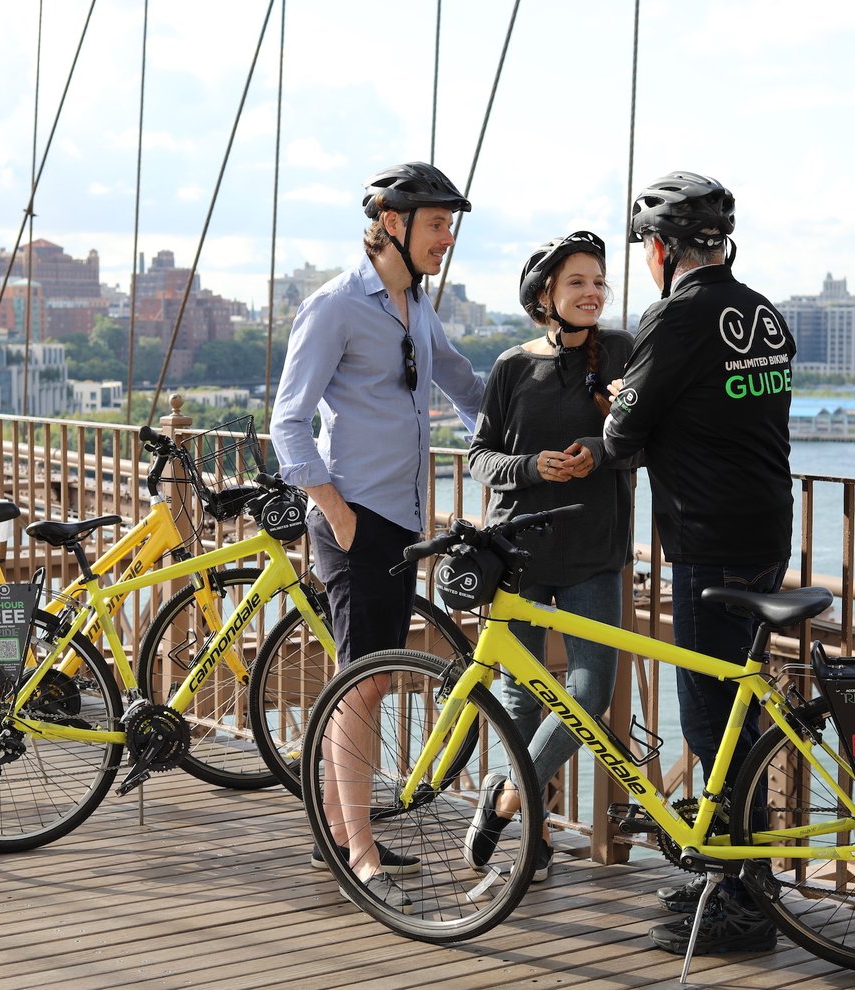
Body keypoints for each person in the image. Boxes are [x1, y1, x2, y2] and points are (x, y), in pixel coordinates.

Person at [269, 161, 484, 913]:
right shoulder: (334, 306)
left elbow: (464, 386)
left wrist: (549, 422)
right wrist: (335, 508)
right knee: (362, 686)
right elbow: (288, 421)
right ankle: (359, 853)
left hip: (399, 520)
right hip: (356, 518)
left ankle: (341, 827)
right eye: (435, 225)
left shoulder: (414, 305)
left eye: (449, 225)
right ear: (392, 223)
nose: (446, 238)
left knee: (371, 679)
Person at [598, 172, 796, 955]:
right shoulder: (764, 314)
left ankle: (747, 905)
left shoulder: (675, 317)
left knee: (713, 722)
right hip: (766, 532)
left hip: (707, 540)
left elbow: (621, 439)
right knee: (735, 715)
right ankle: (727, 872)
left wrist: (622, 400)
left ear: (659, 250)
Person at [461, 230, 635, 883]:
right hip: (522, 552)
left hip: (595, 552)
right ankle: (532, 836)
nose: (592, 293)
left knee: (589, 693)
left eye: (598, 282)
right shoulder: (512, 366)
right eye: (577, 283)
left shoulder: (622, 353)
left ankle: (506, 799)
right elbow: (480, 457)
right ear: (545, 296)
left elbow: (646, 440)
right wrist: (534, 465)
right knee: (523, 697)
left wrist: (601, 448)